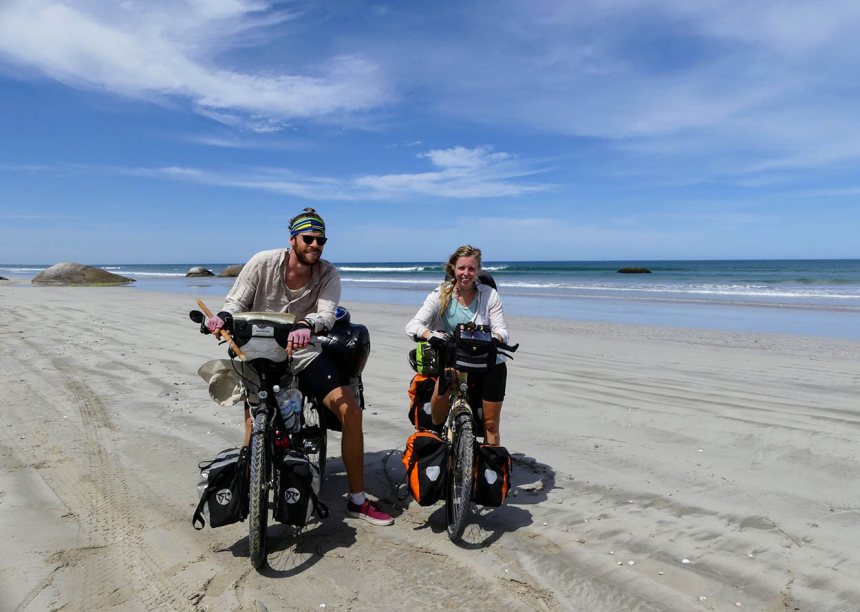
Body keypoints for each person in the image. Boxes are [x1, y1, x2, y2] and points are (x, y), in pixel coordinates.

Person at [206, 207, 393, 526]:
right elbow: (235, 303)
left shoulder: (328, 273)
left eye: (321, 240)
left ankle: (358, 500)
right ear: (293, 239)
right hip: (258, 349)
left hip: (303, 349)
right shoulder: (263, 262)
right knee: (255, 417)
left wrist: (307, 324)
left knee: (350, 409)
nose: (316, 245)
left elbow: (327, 314)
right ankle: (252, 487)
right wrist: (222, 318)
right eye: (309, 238)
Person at [405, 245, 510, 445]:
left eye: (471, 269)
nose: (466, 274)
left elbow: (502, 330)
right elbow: (412, 326)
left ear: (478, 270)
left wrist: (495, 339)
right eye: (462, 268)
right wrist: (430, 335)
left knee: (490, 424)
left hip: (488, 361)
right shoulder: (440, 294)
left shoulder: (489, 295)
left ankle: (490, 469)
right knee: (437, 419)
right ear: (453, 268)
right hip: (454, 358)